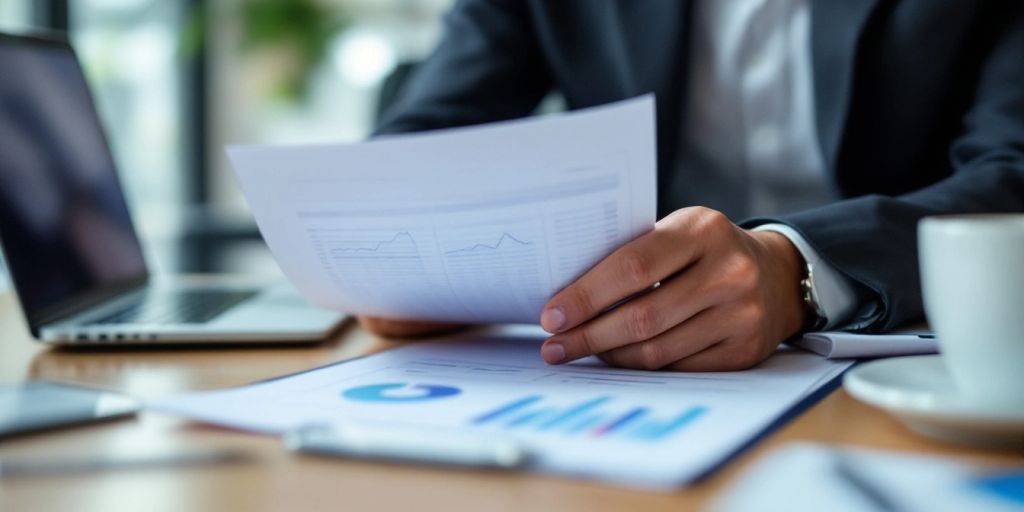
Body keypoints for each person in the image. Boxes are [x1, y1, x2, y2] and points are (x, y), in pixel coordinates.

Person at [358, 0, 1024, 371]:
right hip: (634, 351)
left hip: (923, 348)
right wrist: (401, 249)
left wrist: (796, 270)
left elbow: (1011, 170)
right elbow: (422, 138)